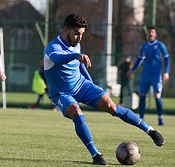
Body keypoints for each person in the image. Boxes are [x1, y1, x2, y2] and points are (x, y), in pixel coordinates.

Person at [43, 14, 165, 165]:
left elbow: (80, 65)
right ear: (65, 29)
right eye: (76, 33)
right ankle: (96, 155)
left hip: (82, 85)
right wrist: (76, 55)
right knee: (76, 112)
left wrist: (90, 82)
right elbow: (57, 59)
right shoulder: (53, 47)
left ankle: (150, 130)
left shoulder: (76, 44)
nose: (79, 38)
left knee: (111, 106)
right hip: (61, 93)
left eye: (81, 34)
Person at [127, 26, 170, 126]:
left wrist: (166, 72)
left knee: (157, 96)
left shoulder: (160, 45)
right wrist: (131, 70)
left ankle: (160, 118)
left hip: (156, 75)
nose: (151, 34)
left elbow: (167, 59)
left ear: (155, 34)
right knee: (142, 96)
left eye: (153, 32)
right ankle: (141, 119)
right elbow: (140, 59)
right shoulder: (144, 46)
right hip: (146, 74)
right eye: (149, 32)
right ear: (147, 34)